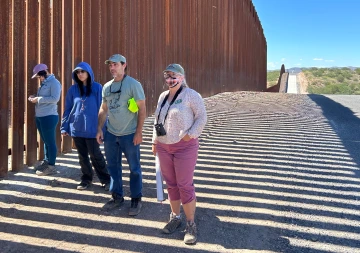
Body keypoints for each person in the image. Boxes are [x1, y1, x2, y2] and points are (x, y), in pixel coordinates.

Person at [151, 64, 207, 244]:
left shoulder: (191, 95)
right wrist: (154, 141)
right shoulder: (163, 96)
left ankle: (191, 224)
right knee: (171, 184)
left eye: (174, 76)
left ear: (182, 77)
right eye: (167, 76)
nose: (170, 80)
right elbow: (157, 119)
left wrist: (190, 135)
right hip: (164, 146)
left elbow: (202, 117)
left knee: (184, 184)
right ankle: (175, 217)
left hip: (184, 147)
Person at [96, 54, 146, 216]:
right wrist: (99, 129)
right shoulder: (107, 87)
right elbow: (104, 109)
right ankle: (117, 196)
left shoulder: (133, 84)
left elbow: (142, 109)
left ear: (124, 65)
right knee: (113, 167)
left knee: (134, 168)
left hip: (129, 134)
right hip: (111, 133)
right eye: (110, 65)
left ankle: (136, 199)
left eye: (115, 64)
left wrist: (139, 132)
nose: (112, 68)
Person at [60, 62, 111, 191]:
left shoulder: (98, 88)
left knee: (95, 154)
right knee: (82, 155)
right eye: (77, 72)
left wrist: (102, 128)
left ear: (88, 72)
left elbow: (103, 109)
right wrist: (64, 126)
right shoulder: (73, 90)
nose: (80, 74)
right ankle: (86, 178)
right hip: (77, 128)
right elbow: (68, 109)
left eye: (82, 71)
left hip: (93, 128)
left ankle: (106, 179)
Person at [28, 63, 62, 176]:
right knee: (45, 141)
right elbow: (44, 97)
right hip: (40, 116)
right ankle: (47, 162)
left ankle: (51, 166)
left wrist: (38, 99)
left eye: (39, 76)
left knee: (50, 141)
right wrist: (34, 97)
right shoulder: (44, 83)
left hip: (49, 116)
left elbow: (55, 98)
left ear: (44, 73)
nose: (39, 78)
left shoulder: (54, 83)